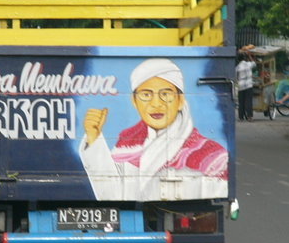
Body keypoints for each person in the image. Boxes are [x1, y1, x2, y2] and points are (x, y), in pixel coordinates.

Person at [79, 58, 229, 201]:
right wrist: (94, 138)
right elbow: (113, 194)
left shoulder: (212, 156)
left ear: (180, 100)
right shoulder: (126, 146)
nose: (156, 103)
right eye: (146, 95)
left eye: (166, 94)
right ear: (135, 101)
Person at [235, 49, 256, 121]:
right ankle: (250, 116)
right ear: (244, 58)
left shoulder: (237, 68)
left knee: (241, 102)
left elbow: (236, 77)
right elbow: (254, 63)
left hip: (241, 86)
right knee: (248, 101)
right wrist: (249, 55)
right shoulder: (248, 64)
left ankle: (241, 117)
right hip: (249, 85)